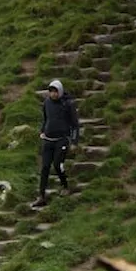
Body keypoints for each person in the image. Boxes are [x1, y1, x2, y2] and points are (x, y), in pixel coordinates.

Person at [32, 79, 80, 208]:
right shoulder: (47, 103)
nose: (53, 94)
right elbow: (46, 119)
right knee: (45, 168)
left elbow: (75, 125)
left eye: (55, 91)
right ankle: (41, 196)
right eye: (51, 91)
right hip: (48, 140)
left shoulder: (68, 104)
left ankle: (65, 186)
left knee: (58, 165)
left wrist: (74, 141)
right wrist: (42, 131)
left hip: (62, 139)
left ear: (60, 91)